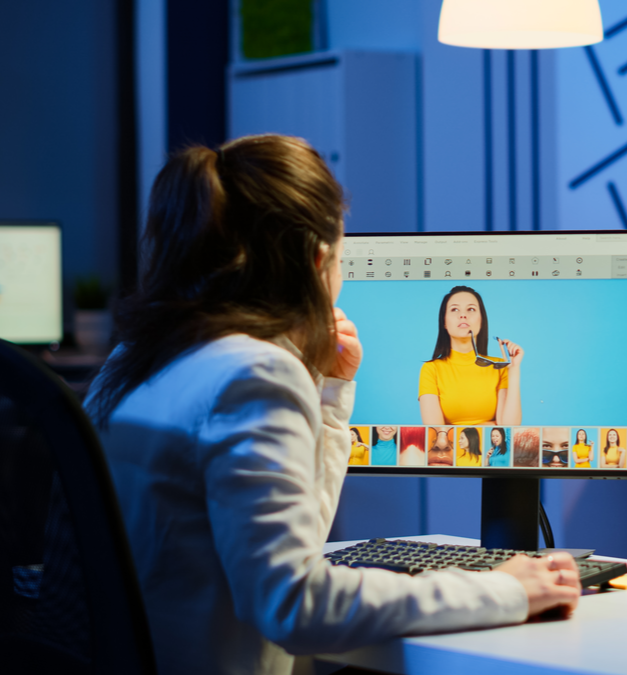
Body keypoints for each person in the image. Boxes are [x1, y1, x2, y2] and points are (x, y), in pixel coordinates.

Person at [83, 134, 580, 675]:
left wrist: (329, 393)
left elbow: (292, 546)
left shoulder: (137, 359)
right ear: (320, 260)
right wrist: (500, 590)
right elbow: (296, 604)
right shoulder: (253, 375)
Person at [418, 286, 523, 425]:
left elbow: (509, 428)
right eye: (454, 309)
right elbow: (435, 433)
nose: (463, 315)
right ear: (444, 322)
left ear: (481, 320)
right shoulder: (431, 369)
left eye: (471, 309)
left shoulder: (499, 366)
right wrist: (489, 425)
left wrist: (514, 370)